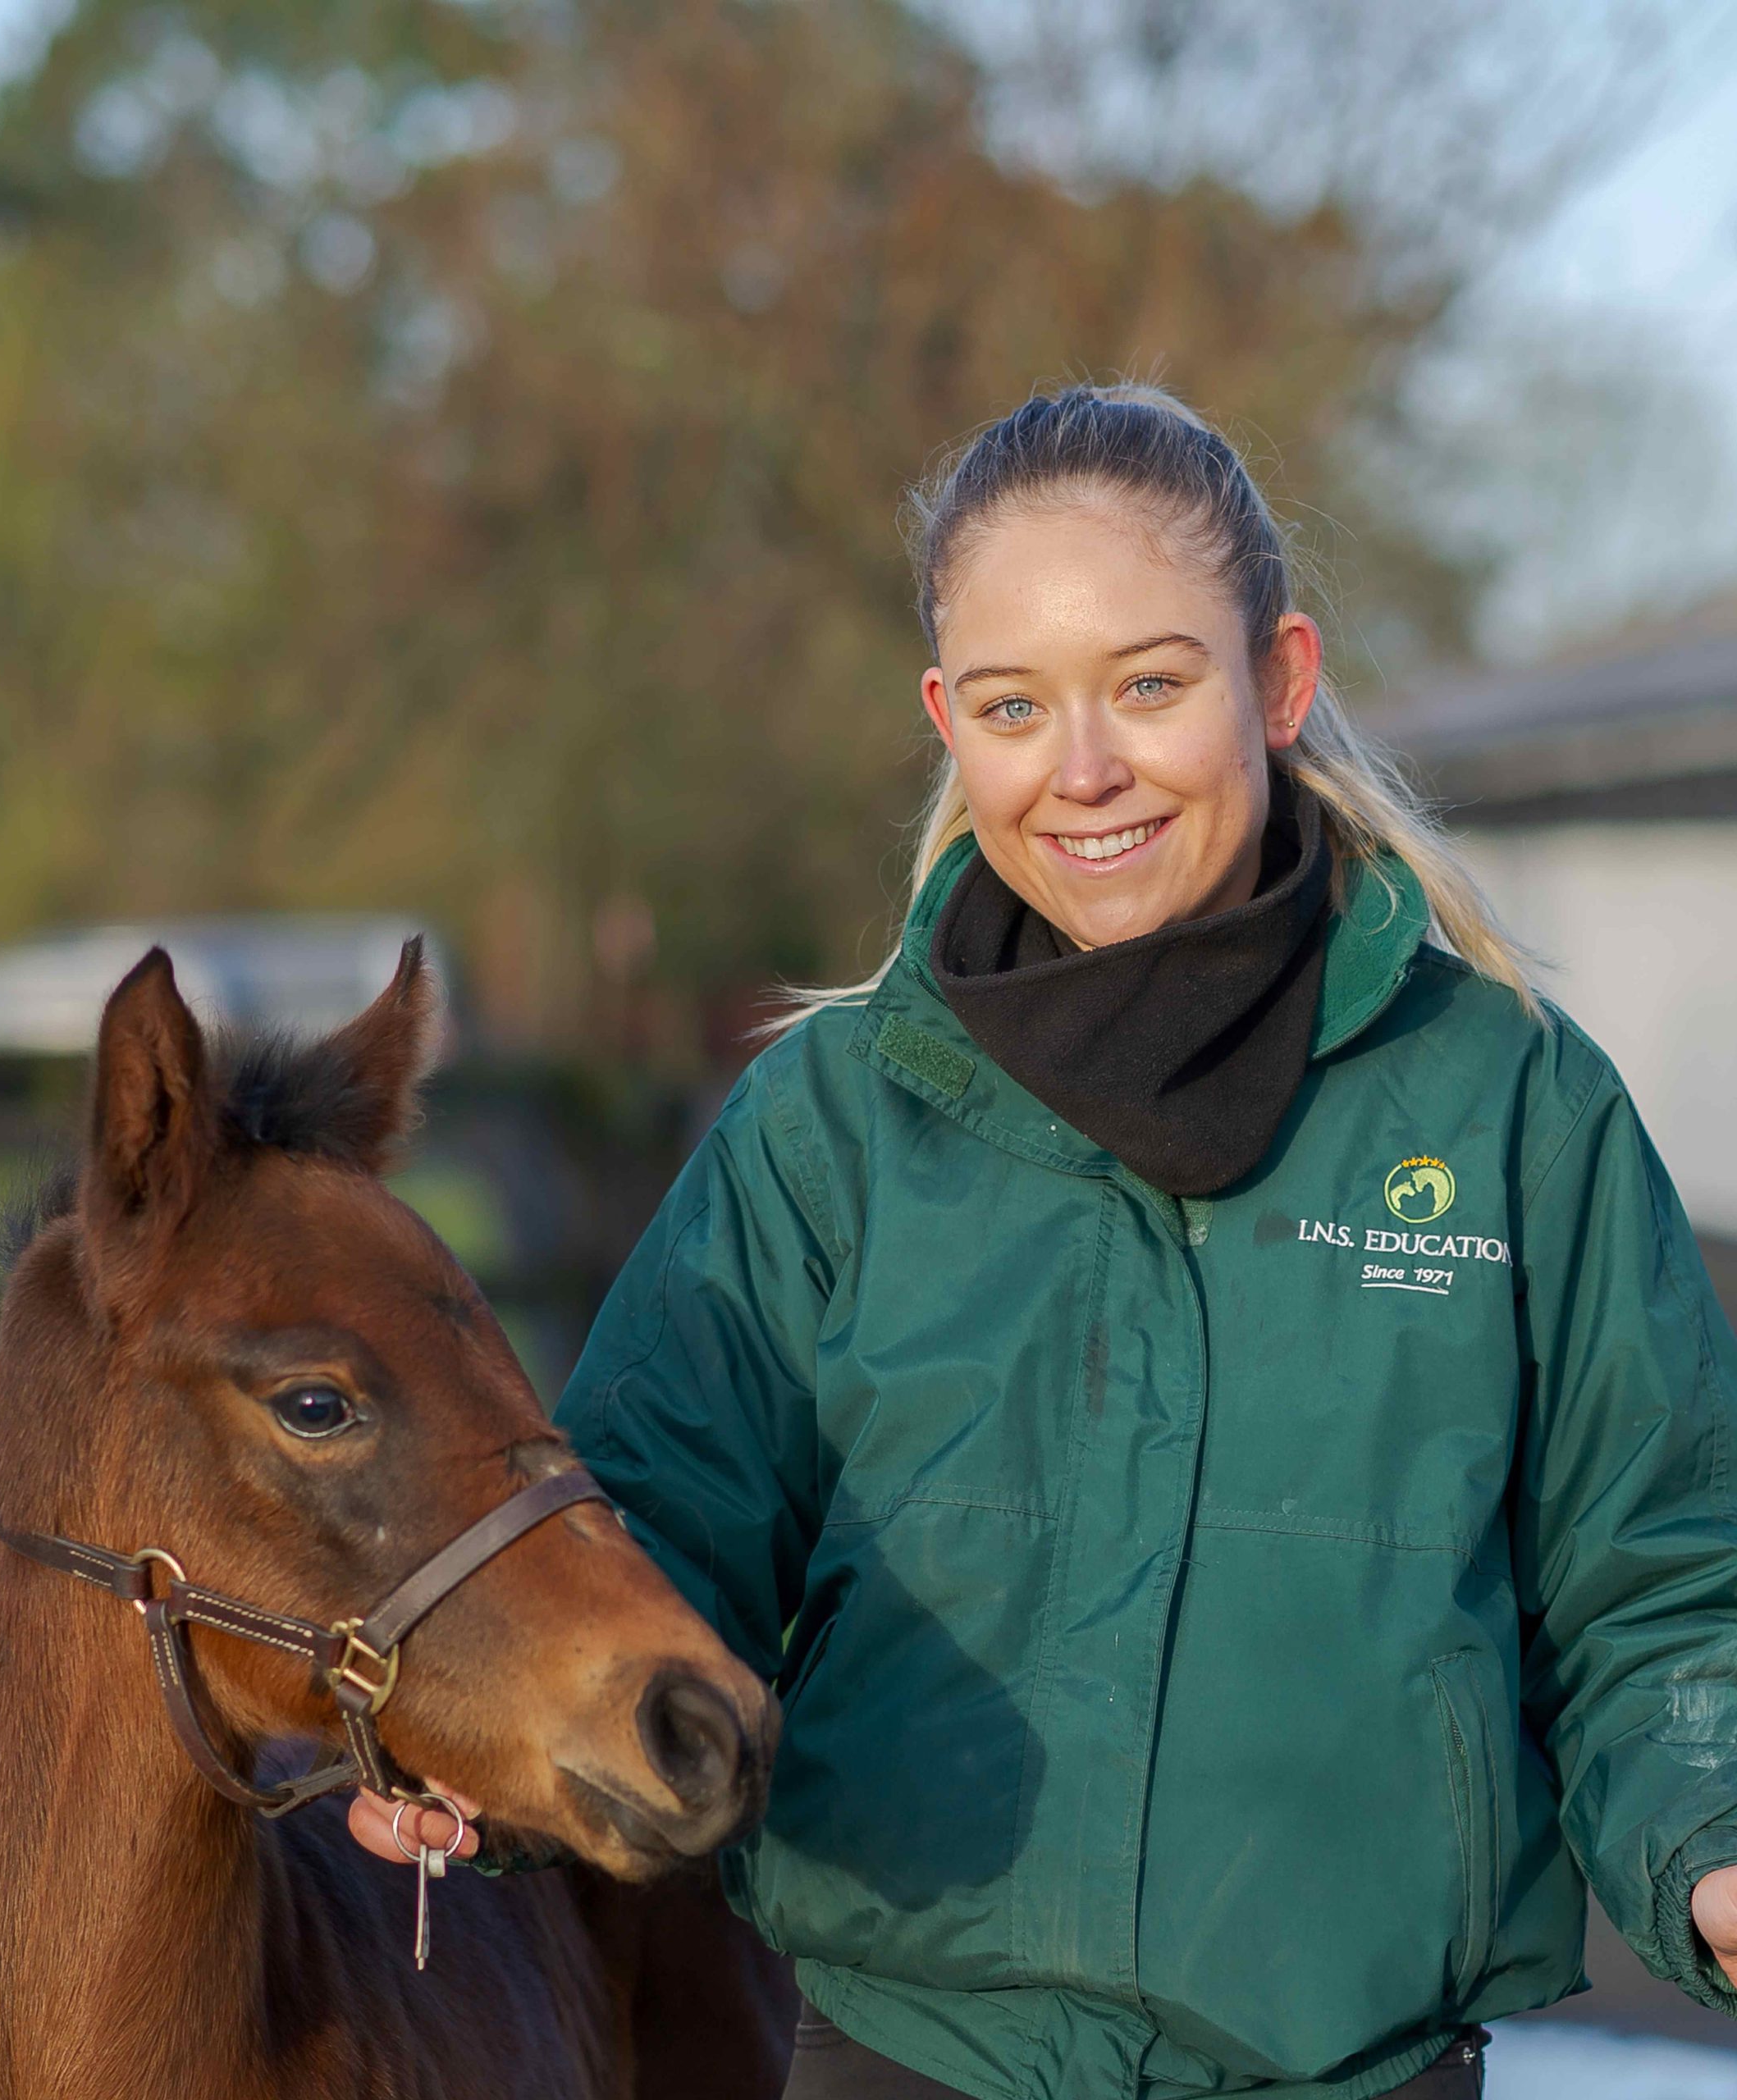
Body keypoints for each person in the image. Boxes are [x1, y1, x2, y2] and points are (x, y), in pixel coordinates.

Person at [354, 382, 1737, 2099]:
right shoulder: (828, 1126)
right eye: (1014, 706)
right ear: (950, 719)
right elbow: (649, 1544)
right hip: (906, 2057)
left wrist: (1708, 1827)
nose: (1082, 768)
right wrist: (486, 1752)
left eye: (1149, 684)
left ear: (1278, 679)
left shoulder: (1508, 1106)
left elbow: (1663, 1574)